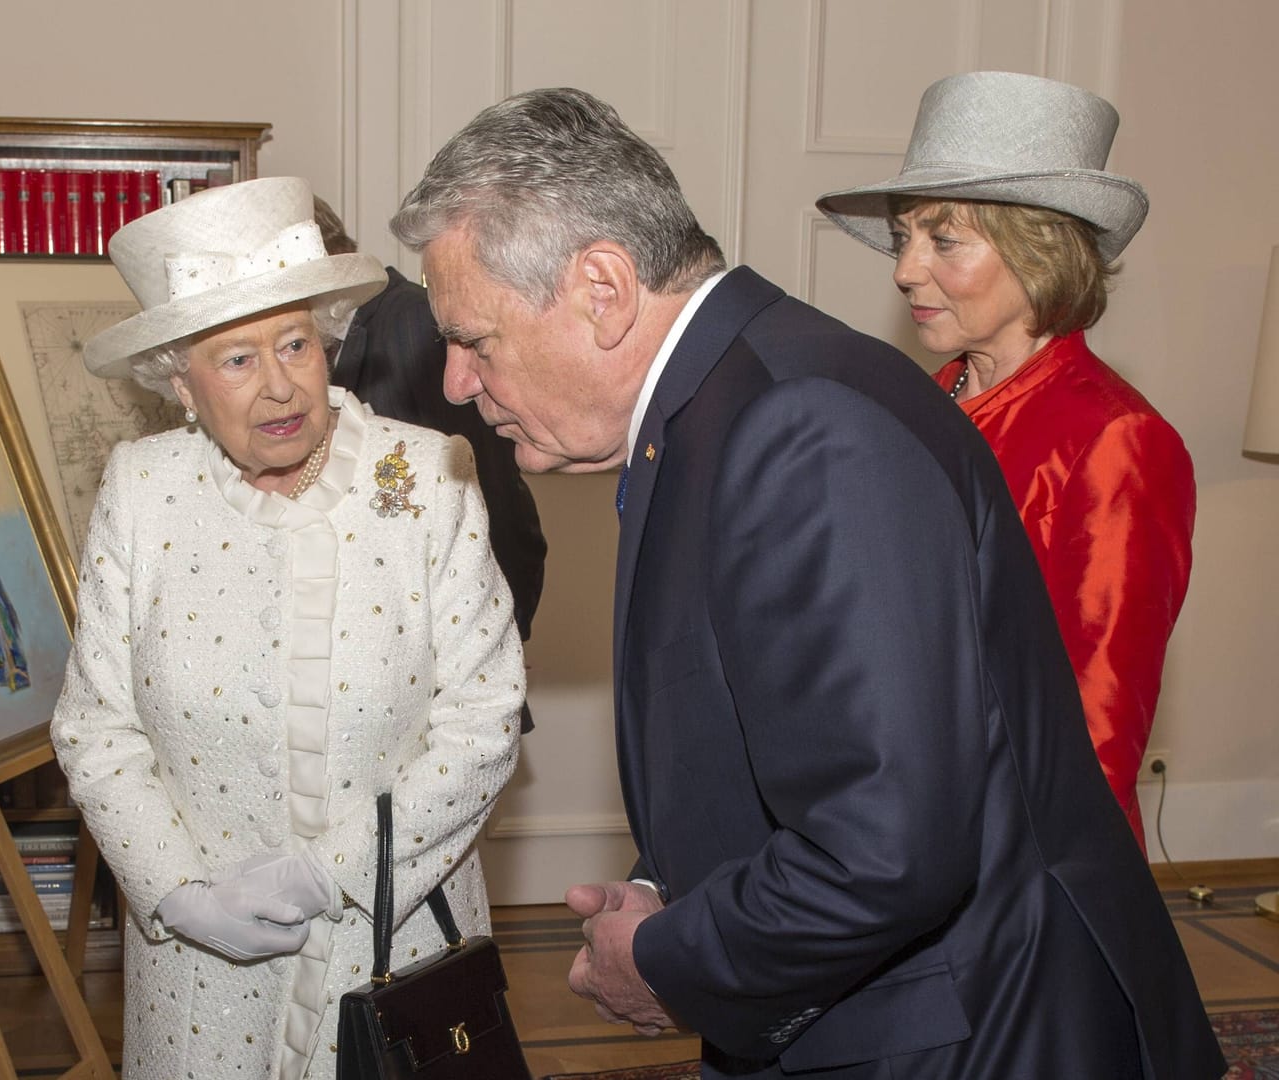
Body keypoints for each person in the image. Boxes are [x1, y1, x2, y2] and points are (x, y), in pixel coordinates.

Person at [391, 87, 1222, 1078]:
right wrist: (677, 884)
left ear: (604, 290)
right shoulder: (728, 405)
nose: (454, 382)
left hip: (970, 1035)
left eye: (475, 339)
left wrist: (670, 959)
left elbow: (885, 846)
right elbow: (786, 737)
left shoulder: (803, 426)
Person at [51, 176, 524, 1080]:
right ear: (179, 385)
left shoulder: (426, 479)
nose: (278, 386)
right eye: (235, 360)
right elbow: (95, 726)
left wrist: (331, 870)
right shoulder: (142, 491)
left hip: (388, 941)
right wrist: (175, 893)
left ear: (328, 345)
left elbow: (484, 723)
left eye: (295, 343)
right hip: (201, 967)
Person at [816, 71, 1196, 852]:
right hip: (895, 841)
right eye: (903, 238)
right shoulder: (921, 403)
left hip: (1017, 871)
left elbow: (1096, 734)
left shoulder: (1115, 439)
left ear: (1038, 250)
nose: (904, 270)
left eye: (942, 240)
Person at [311, 195, 547, 732]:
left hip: (445, 695)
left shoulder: (417, 325)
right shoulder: (322, 347)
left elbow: (489, 500)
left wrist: (494, 643)